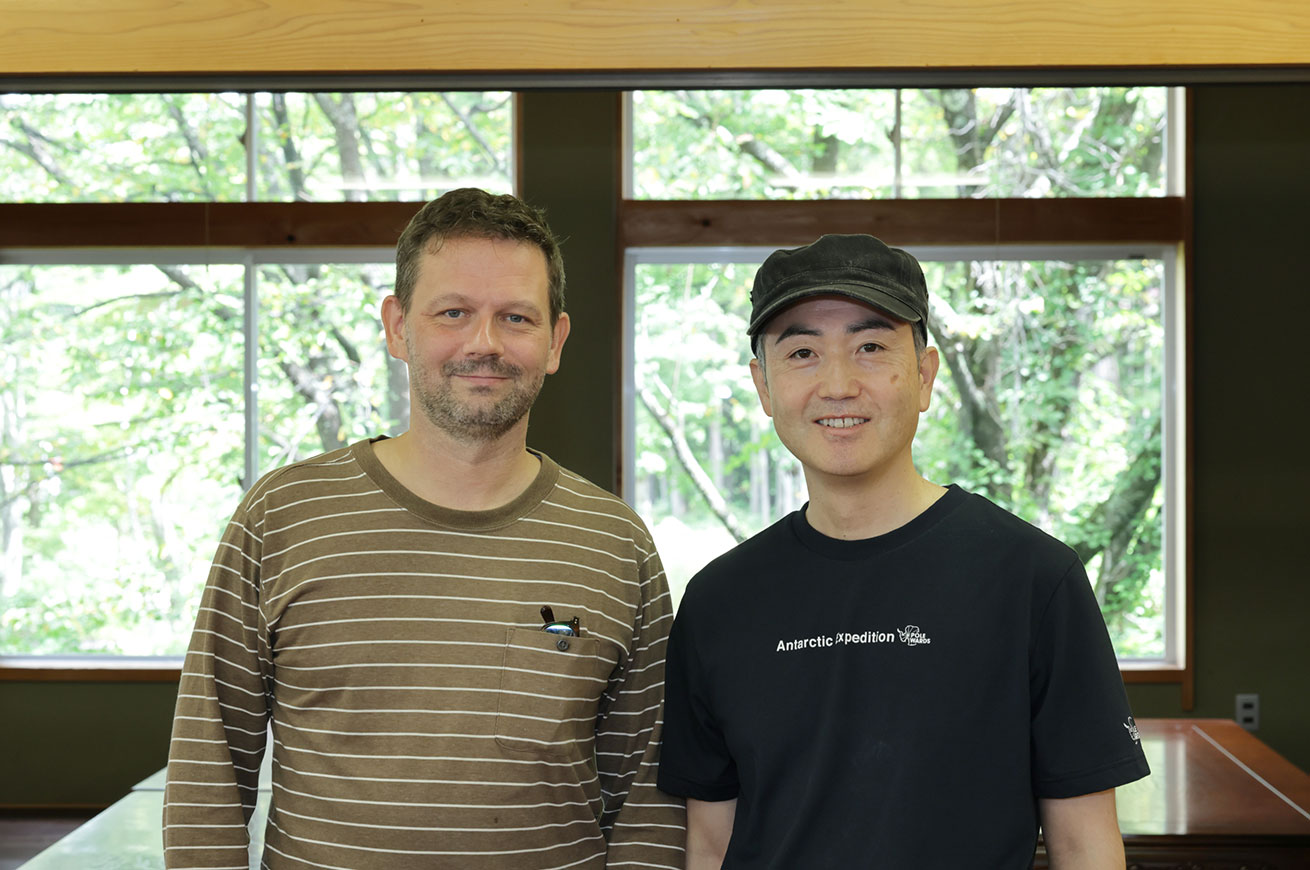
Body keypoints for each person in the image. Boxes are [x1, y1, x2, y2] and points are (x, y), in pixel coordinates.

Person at [164, 188, 685, 869]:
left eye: (516, 317)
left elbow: (647, 802)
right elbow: (207, 774)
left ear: (555, 341)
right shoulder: (282, 516)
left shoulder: (614, 543)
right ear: (397, 327)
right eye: (453, 313)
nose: (484, 343)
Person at [657, 234, 1150, 869]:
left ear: (924, 376)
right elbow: (710, 844)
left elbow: (1085, 846)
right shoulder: (719, 602)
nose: (838, 384)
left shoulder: (1033, 579)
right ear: (764, 387)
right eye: (803, 352)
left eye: (870, 347)